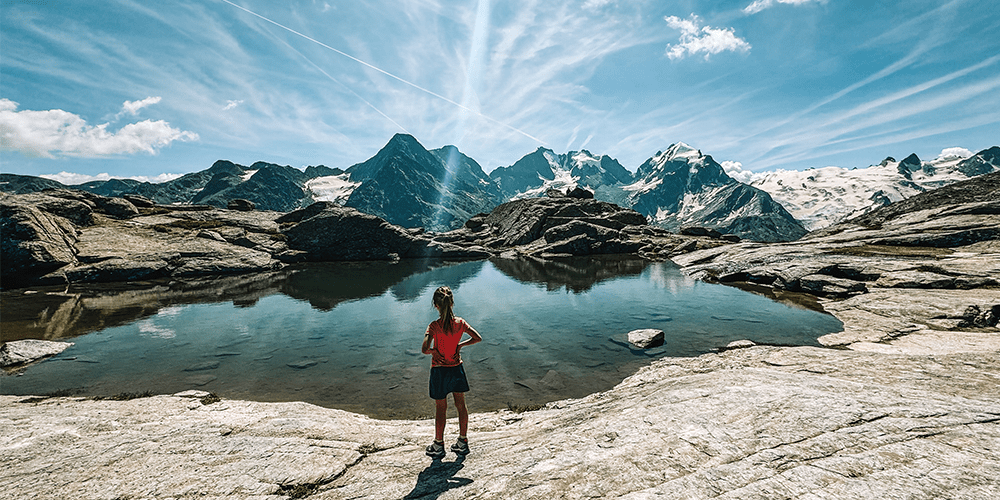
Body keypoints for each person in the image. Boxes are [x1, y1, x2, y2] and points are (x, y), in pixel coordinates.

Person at [421, 286, 482, 458]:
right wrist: (460, 345)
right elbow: (478, 338)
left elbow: (424, 349)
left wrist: (434, 352)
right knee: (461, 405)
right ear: (452, 303)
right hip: (456, 368)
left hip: (439, 371)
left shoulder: (434, 326)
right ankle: (463, 442)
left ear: (436, 305)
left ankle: (438, 445)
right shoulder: (460, 323)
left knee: (441, 408)